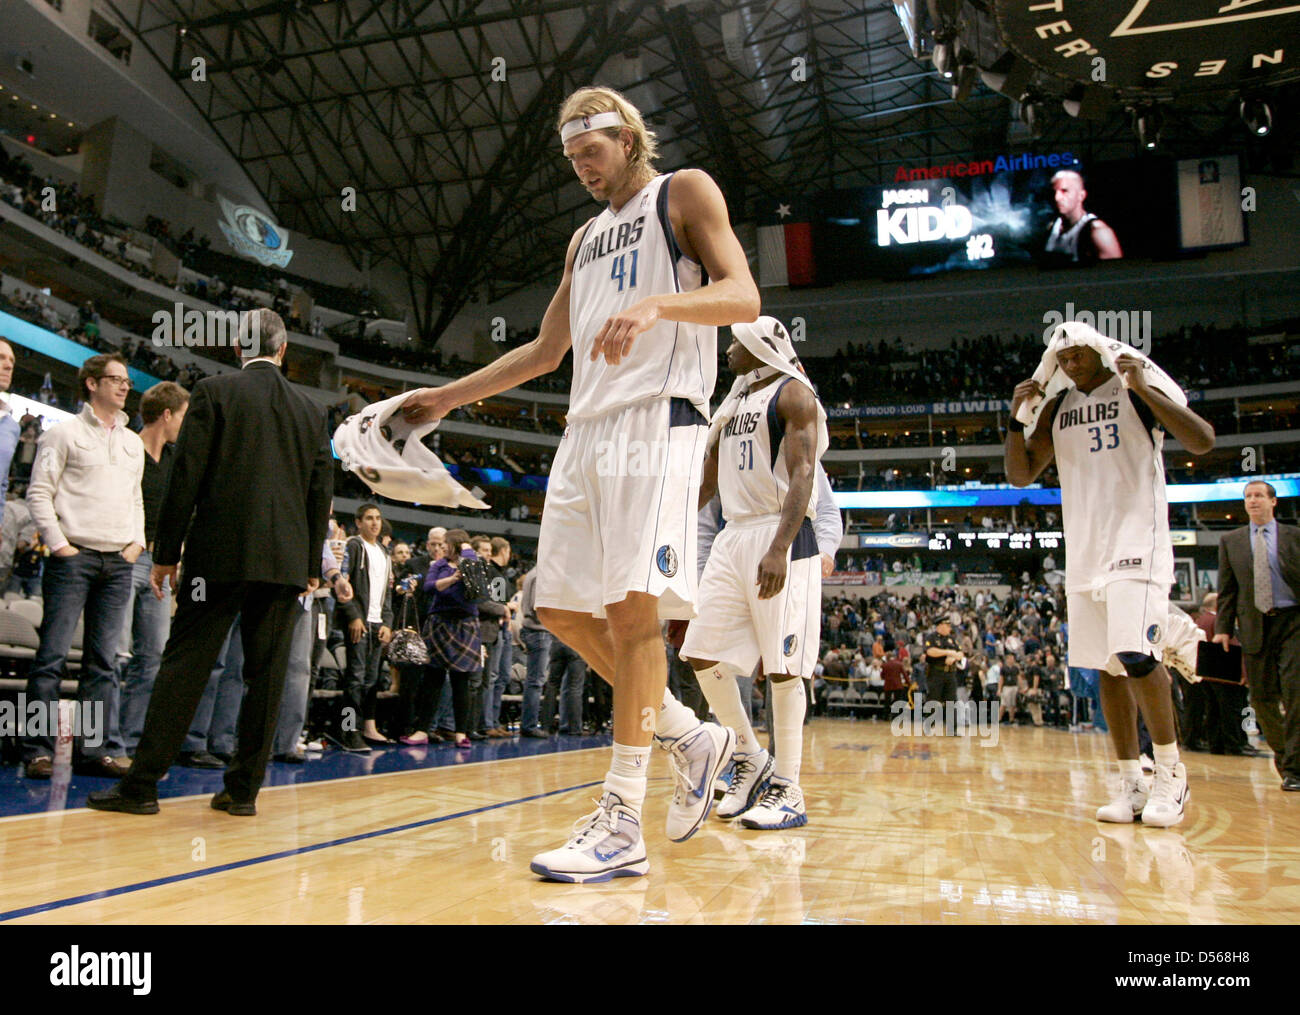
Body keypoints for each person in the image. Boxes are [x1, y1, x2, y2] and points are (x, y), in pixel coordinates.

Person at [400, 85, 759, 882]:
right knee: (554, 606)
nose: (581, 168)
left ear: (628, 137)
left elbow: (744, 294)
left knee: (635, 618)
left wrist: (658, 306)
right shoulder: (584, 238)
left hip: (656, 421)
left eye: (589, 152)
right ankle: (688, 733)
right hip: (586, 431)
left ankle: (622, 818)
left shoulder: (684, 192)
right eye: (569, 158)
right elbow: (542, 350)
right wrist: (446, 397)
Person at [87, 309, 333, 816]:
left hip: (217, 556)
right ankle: (242, 793)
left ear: (240, 350)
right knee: (266, 678)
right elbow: (319, 493)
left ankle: (142, 786)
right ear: (282, 350)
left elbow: (187, 478)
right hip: (285, 564)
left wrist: (167, 553)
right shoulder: (311, 410)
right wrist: (311, 563)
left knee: (183, 667)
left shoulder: (214, 392)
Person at [1006, 338, 1214, 826]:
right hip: (1085, 548)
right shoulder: (1059, 407)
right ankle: (1130, 781)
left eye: (1078, 354)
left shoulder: (1133, 391)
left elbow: (1202, 440)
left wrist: (1143, 386)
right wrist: (1017, 421)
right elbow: (1019, 475)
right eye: (1063, 359)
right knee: (1107, 665)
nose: (1070, 364)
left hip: (1137, 539)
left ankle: (1171, 772)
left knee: (1137, 655)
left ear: (1103, 352)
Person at [669, 317, 829, 829]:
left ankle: (789, 787)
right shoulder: (735, 401)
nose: (729, 348)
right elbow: (709, 479)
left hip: (780, 533)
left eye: (735, 341)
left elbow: (804, 472)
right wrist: (667, 530)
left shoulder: (794, 395)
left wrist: (780, 547)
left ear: (760, 346)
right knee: (699, 652)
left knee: (785, 669)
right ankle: (749, 757)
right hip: (732, 536)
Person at [22, 353, 144, 780]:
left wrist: (137, 543)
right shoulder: (64, 434)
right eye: (115, 379)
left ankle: (95, 752)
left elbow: (135, 499)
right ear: (91, 384)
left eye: (127, 381)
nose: (125, 386)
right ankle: (37, 750)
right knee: (51, 658)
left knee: (103, 663)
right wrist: (59, 545)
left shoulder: (133, 443)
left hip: (119, 562)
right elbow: (39, 493)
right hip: (73, 558)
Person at [117, 381, 189, 754]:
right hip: (126, 557)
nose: (185, 423)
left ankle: (128, 741)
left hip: (159, 563)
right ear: (167, 415)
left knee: (152, 656)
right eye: (182, 416)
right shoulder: (127, 447)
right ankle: (101, 740)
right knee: (115, 654)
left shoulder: (176, 460)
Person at [1214, 480, 1300, 789]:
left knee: (1295, 690)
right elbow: (1227, 590)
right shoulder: (1231, 541)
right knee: (1262, 698)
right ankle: (1286, 754)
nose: (1253, 501)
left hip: (1293, 621)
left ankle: (1294, 769)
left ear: (1273, 502)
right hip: (1254, 624)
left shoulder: (1294, 535)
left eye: (1259, 496)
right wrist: (1222, 629)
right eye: (1248, 496)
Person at [336, 503, 394, 751]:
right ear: (359, 522)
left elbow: (387, 594)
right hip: (359, 622)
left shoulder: (383, 551)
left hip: (377, 623)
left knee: (370, 681)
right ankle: (348, 731)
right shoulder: (353, 545)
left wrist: (387, 623)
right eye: (369, 518)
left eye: (378, 518)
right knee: (355, 680)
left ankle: (364, 728)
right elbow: (343, 583)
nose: (374, 523)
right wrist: (353, 615)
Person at [1043, 169, 1122, 263]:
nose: (1057, 198)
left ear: (1081, 195)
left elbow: (1115, 274)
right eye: (1054, 192)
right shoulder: (1051, 227)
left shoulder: (1098, 232)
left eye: (1064, 191)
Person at [923, 617, 963, 708]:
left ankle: (952, 721)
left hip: (950, 673)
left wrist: (953, 658)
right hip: (936, 672)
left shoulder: (952, 639)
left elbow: (960, 653)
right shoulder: (931, 637)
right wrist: (947, 652)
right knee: (933, 700)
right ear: (940, 626)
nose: (950, 628)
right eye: (947, 626)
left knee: (952, 700)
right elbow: (930, 651)